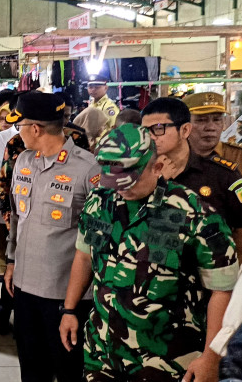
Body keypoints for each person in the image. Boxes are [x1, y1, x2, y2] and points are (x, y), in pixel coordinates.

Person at [59, 124, 238, 381]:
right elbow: (84, 256)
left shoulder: (194, 214)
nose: (120, 190)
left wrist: (211, 356)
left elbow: (223, 290)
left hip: (165, 360)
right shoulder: (100, 202)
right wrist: (69, 310)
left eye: (129, 182)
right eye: (113, 180)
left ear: (157, 166)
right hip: (103, 353)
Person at [4, 92, 100, 382]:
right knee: (31, 370)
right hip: (23, 289)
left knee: (68, 371)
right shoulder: (23, 162)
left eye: (19, 125)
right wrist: (10, 261)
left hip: (64, 297)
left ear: (35, 129)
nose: (17, 131)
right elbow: (16, 218)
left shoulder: (88, 170)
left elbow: (96, 241)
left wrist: (73, 305)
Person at [142, 96, 242, 260]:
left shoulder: (222, 175)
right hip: (155, 272)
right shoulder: (139, 173)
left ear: (185, 130)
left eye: (159, 128)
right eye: (146, 131)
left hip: (208, 273)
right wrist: (159, 185)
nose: (151, 136)